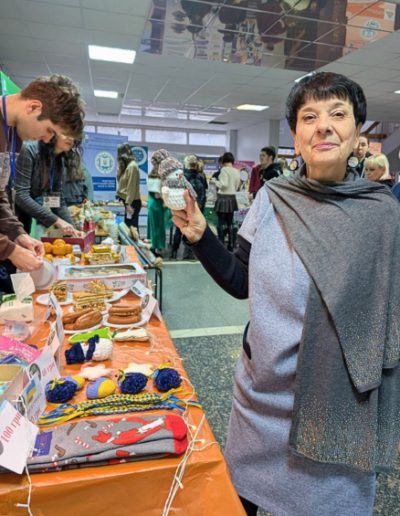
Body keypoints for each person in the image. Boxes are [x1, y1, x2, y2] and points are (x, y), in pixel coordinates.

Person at [172, 72, 400, 516]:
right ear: (295, 137)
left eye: (338, 114)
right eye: (309, 117)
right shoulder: (271, 198)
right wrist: (200, 236)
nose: (323, 126)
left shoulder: (381, 215)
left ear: (357, 132)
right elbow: (242, 281)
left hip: (336, 409)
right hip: (259, 402)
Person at [0, 74, 84, 292]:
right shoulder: (24, 144)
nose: (48, 139)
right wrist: (9, 249)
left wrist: (18, 234)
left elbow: (0, 196)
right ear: (33, 107)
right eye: (50, 131)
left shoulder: (13, 136)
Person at [15, 135, 82, 237]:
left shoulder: (58, 160)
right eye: (66, 132)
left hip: (24, 216)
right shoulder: (28, 150)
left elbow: (56, 200)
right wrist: (57, 220)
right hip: (8, 213)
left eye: (73, 134)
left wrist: (73, 229)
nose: (71, 138)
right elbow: (20, 195)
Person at [170, 154, 208, 259]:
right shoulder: (201, 177)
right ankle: (191, 253)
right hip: (196, 208)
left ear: (186, 164)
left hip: (183, 206)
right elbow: (203, 194)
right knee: (193, 230)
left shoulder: (181, 177)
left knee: (179, 229)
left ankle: (174, 252)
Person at [210, 152, 240, 251]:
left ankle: (221, 245)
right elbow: (237, 186)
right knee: (230, 223)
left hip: (223, 198)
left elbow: (223, 185)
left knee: (221, 223)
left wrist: (214, 181)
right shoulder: (236, 171)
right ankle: (231, 245)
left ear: (223, 161)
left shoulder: (224, 170)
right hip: (232, 198)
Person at [147, 149, 170, 256]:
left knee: (152, 227)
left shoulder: (151, 174)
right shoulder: (160, 175)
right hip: (157, 204)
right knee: (157, 227)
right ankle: (155, 248)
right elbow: (157, 194)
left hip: (151, 203)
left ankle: (152, 247)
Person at [116, 143, 141, 229]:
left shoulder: (132, 166)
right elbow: (122, 184)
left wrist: (128, 204)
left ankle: (133, 240)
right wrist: (119, 172)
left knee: (131, 228)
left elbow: (131, 187)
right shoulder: (127, 166)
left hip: (132, 202)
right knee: (128, 227)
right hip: (129, 201)